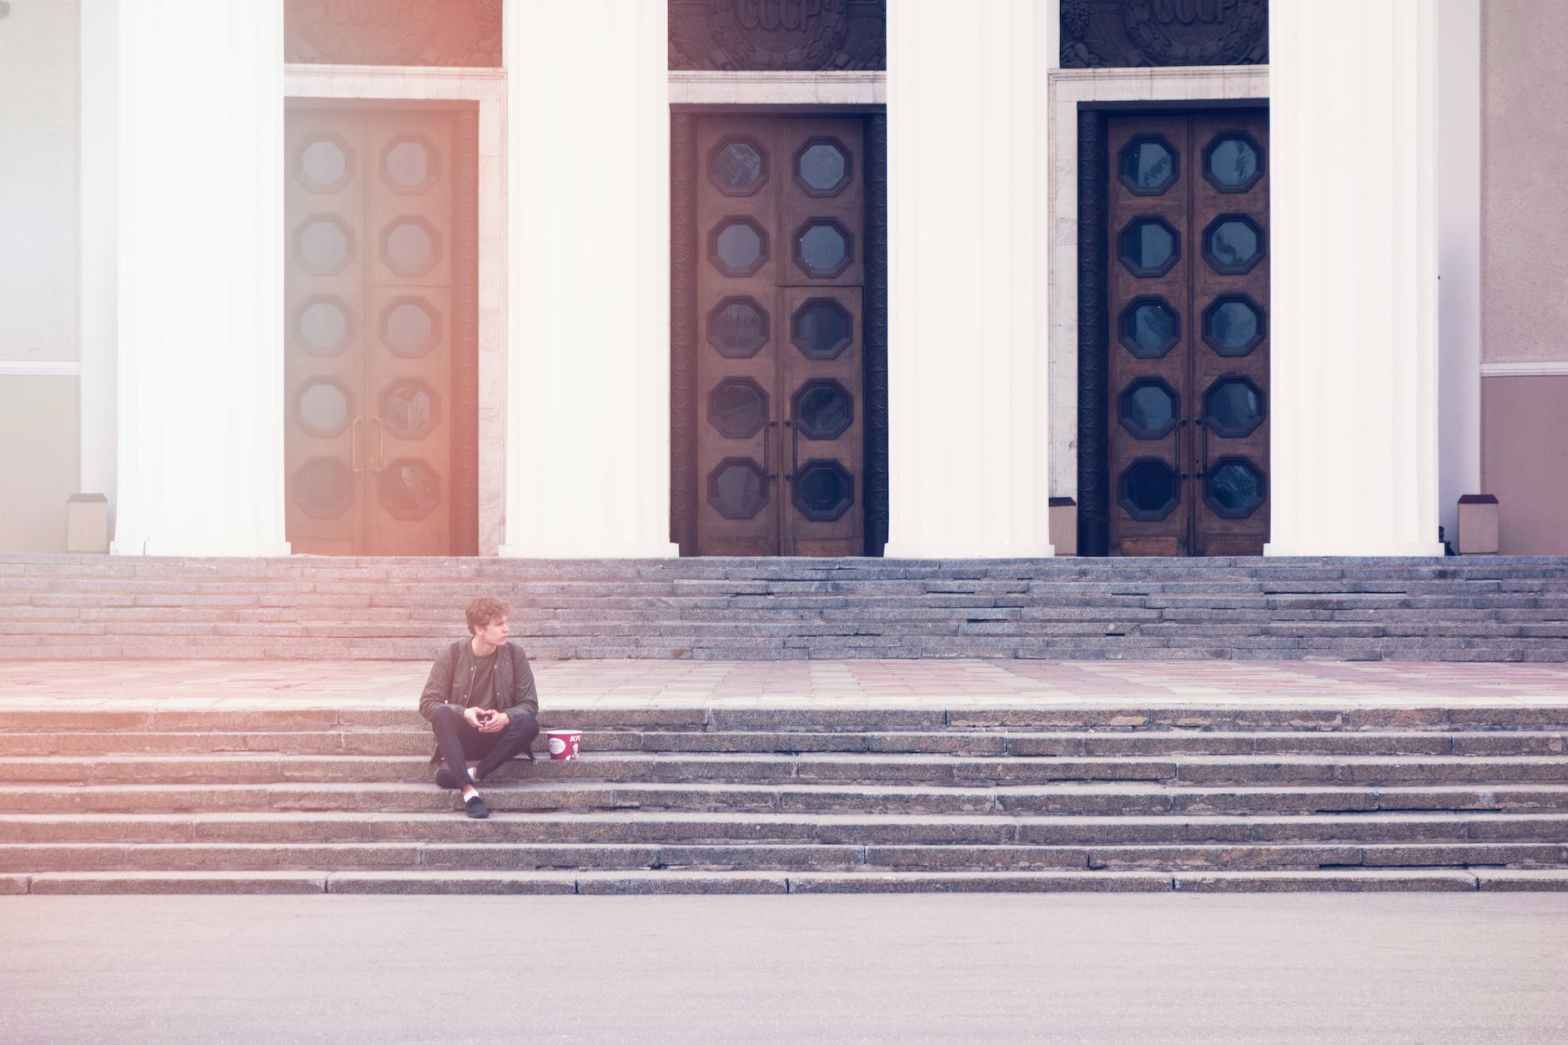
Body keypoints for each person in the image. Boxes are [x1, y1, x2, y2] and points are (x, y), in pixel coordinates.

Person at [418, 597, 540, 818]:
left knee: (529, 724)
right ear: (479, 629)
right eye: (499, 624)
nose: (506, 629)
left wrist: (505, 717)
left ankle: (474, 773)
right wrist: (463, 712)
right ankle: (469, 791)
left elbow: (529, 704)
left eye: (506, 622)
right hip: (464, 739)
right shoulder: (452, 654)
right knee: (443, 712)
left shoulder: (514, 654)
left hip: (498, 738)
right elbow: (427, 703)